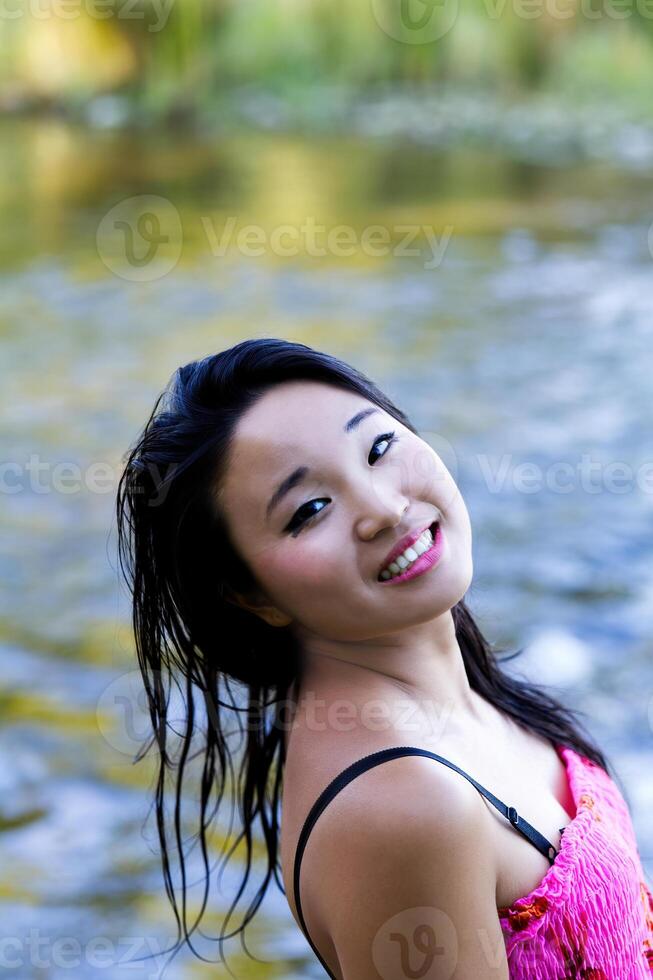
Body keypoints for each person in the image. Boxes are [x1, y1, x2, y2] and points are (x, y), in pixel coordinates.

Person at [116, 337, 653, 979]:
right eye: (309, 510)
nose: (385, 508)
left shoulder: (456, 702)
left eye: (377, 448)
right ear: (253, 596)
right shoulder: (404, 809)